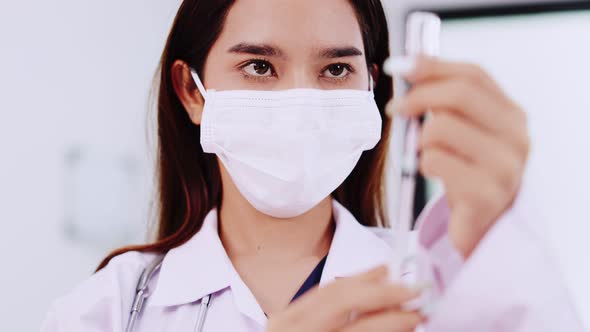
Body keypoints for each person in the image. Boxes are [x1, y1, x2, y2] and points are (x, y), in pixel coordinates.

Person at [41, 0, 583, 331]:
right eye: (259, 66)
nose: (301, 101)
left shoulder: (441, 284)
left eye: (334, 70)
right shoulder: (109, 311)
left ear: (372, 84)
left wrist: (496, 216)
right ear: (192, 91)